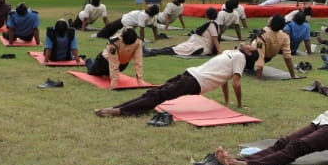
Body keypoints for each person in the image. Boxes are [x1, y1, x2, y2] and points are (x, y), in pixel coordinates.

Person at [94, 45, 256, 117]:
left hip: (195, 82)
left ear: (248, 55)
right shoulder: (232, 53)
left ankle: (118, 111)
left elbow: (235, 82)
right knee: (156, 92)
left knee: (159, 95)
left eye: (250, 47)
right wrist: (227, 101)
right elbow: (224, 79)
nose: (248, 44)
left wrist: (239, 105)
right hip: (191, 74)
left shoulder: (240, 58)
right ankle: (118, 108)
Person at [146, 9, 221, 57]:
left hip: (200, 47)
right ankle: (151, 51)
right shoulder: (212, 24)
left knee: (173, 50)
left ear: (207, 15)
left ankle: (151, 52)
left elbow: (215, 39)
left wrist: (219, 52)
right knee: (174, 47)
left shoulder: (212, 25)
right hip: (196, 44)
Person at [249, 14, 298, 79]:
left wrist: (259, 78)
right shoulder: (285, 36)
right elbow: (287, 57)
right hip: (267, 58)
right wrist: (293, 75)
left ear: (271, 23)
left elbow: (260, 56)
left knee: (243, 46)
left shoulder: (263, 34)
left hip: (251, 57)